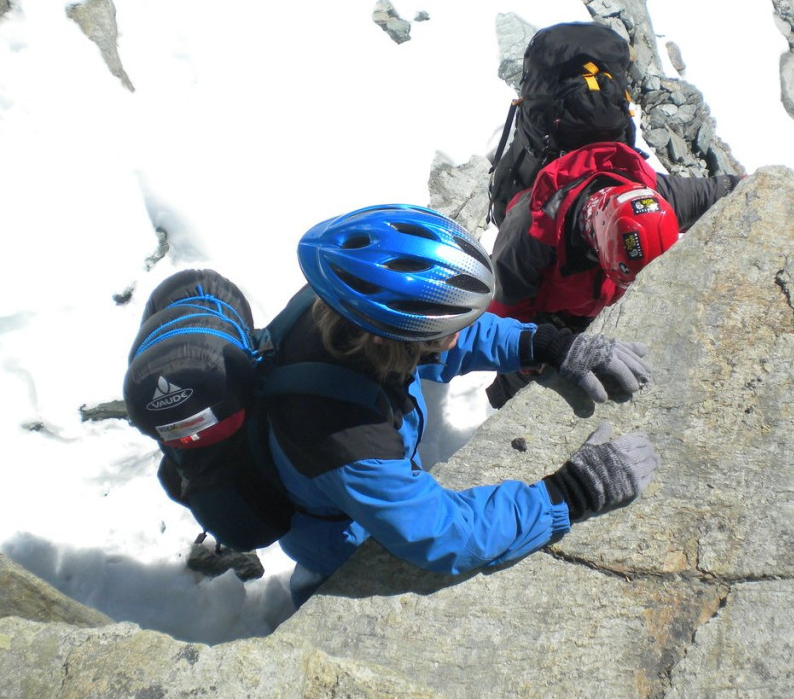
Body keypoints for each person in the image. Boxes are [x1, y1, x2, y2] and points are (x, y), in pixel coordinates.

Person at [267, 203, 661, 606]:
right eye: (444, 332)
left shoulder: (348, 302)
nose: (459, 336)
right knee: (324, 584)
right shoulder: (348, 439)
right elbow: (445, 535)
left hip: (327, 478)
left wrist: (549, 344)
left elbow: (452, 334)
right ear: (387, 338)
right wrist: (570, 493)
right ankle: (306, 596)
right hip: (336, 535)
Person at [486, 141, 742, 407]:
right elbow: (503, 319)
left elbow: (719, 192)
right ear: (598, 244)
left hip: (593, 306)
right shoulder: (528, 234)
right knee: (519, 380)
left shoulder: (650, 201)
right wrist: (544, 354)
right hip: (545, 317)